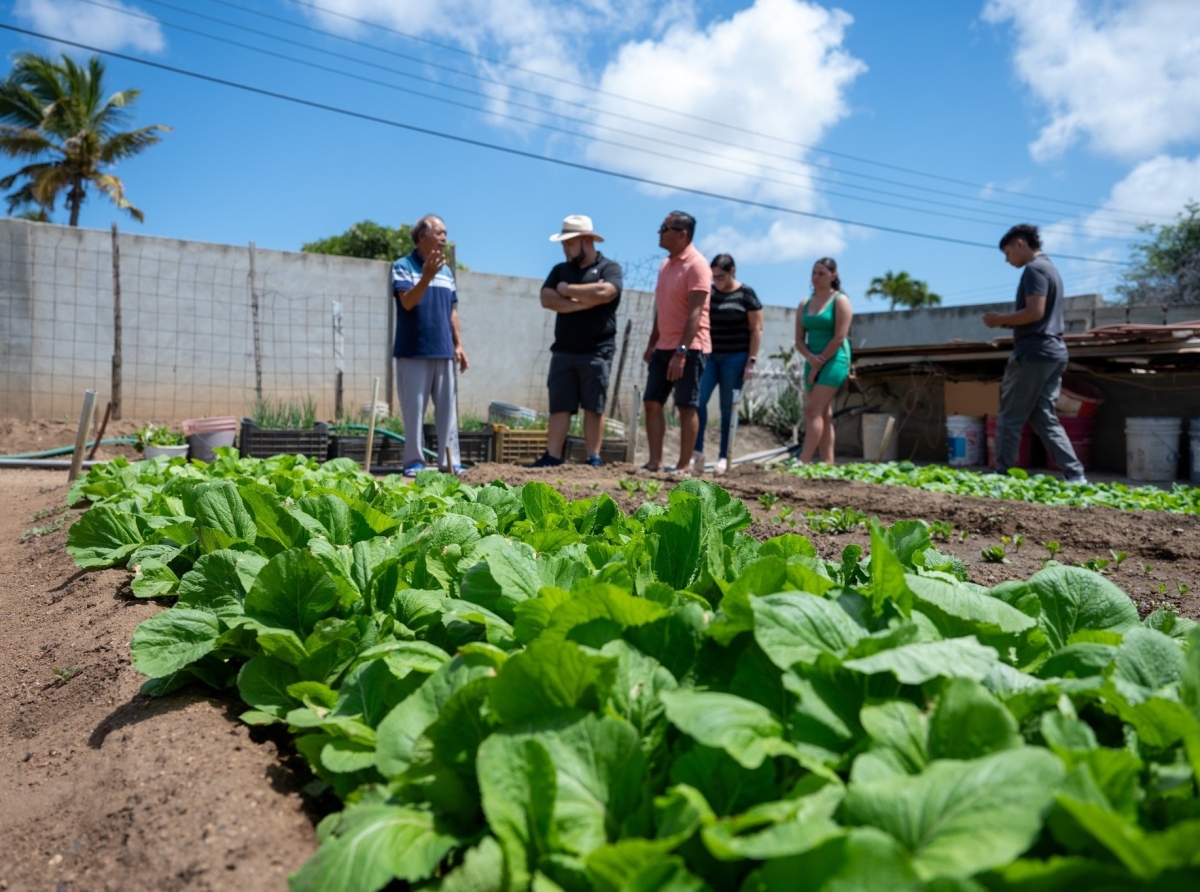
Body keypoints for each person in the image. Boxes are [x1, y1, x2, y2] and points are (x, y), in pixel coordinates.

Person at [984, 224, 1086, 482]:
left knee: (1010, 414)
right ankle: (1075, 475)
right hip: (1054, 352)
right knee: (1042, 416)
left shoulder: (1035, 269)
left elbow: (1035, 312)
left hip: (1033, 351)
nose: (1007, 260)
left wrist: (1000, 320)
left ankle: (1001, 474)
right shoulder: (1052, 269)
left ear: (1020, 243)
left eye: (1007, 253)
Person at [532, 215, 623, 468]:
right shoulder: (560, 270)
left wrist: (567, 290)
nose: (565, 249)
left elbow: (606, 292)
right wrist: (586, 301)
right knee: (559, 405)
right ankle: (552, 456)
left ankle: (593, 457)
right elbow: (546, 298)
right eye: (564, 244)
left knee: (594, 407)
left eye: (569, 243)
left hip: (597, 351)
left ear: (586, 241)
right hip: (563, 351)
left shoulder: (609, 268)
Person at [391, 214, 469, 476]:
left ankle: (450, 461)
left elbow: (452, 311)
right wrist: (425, 277)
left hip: (444, 350)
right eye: (439, 232)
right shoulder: (402, 266)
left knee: (448, 411)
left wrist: (458, 344)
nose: (444, 238)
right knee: (414, 411)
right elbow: (408, 302)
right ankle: (414, 462)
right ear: (422, 236)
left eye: (445, 233)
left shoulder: (446, 272)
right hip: (413, 350)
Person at [643, 211, 712, 474]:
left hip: (690, 349)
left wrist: (681, 353)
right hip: (663, 346)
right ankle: (654, 462)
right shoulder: (665, 265)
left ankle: (684, 466)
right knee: (652, 401)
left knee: (685, 405)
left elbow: (696, 313)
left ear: (683, 234)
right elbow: (662, 308)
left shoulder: (697, 265)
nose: (659, 232)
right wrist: (653, 342)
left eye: (665, 228)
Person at [693, 254, 762, 475]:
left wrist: (751, 361)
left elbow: (756, 329)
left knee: (727, 409)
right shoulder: (710, 293)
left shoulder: (746, 294)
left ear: (733, 271)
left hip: (736, 358)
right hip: (711, 356)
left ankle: (724, 456)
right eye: (713, 277)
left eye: (721, 276)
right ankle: (697, 452)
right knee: (698, 400)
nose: (716, 281)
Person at [796, 257, 852, 464]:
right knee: (823, 413)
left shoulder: (840, 300)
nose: (816, 278)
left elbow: (839, 337)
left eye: (821, 273)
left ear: (833, 276)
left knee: (813, 410)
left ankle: (803, 461)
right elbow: (799, 339)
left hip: (835, 358)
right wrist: (811, 359)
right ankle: (828, 464)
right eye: (814, 273)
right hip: (812, 358)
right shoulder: (805, 303)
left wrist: (819, 362)